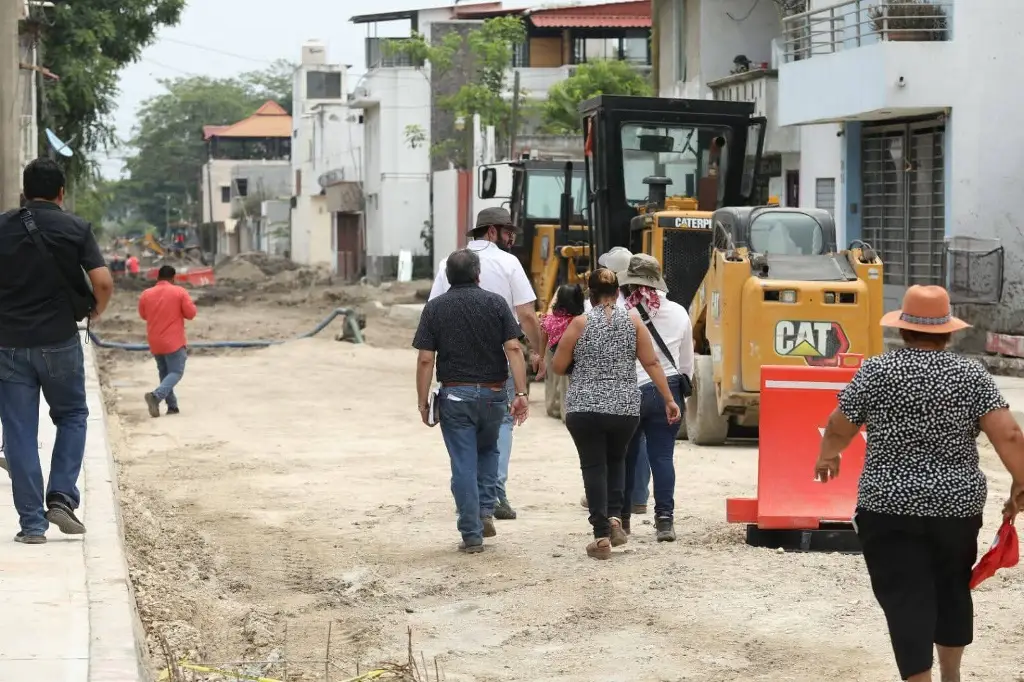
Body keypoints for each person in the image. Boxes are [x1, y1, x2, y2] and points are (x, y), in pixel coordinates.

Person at [814, 285, 1024, 682]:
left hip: (887, 506)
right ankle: (951, 676)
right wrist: (1020, 484)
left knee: (905, 597)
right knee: (951, 588)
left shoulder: (878, 371)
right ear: (948, 331)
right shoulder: (970, 374)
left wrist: (828, 454)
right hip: (955, 508)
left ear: (904, 329)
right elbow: (1010, 436)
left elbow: (841, 423)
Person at [0, 157, 114, 544]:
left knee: (19, 432)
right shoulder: (75, 227)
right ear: (61, 193)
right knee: (72, 416)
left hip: (9, 344)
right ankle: (62, 496)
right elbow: (103, 281)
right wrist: (96, 310)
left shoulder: (2, 226)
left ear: (24, 193)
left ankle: (32, 525)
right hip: (60, 341)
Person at [552, 268, 681, 559]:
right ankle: (614, 519)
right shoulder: (634, 321)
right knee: (617, 459)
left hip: (585, 406)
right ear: (618, 292)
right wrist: (669, 399)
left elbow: (558, 367)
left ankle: (600, 537)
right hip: (624, 407)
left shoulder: (579, 324)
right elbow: (651, 363)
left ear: (591, 292)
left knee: (594, 467)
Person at [429, 207, 543, 521]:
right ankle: (495, 496)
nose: (512, 238)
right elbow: (528, 315)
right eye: (508, 232)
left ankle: (471, 503)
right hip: (501, 358)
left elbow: (434, 309)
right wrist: (537, 351)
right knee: (501, 426)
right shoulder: (510, 263)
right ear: (491, 231)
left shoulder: (448, 263)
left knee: (463, 439)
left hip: (458, 364)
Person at [414, 249, 530, 553]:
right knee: (489, 451)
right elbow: (514, 349)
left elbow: (426, 359)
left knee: (463, 462)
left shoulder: (435, 309)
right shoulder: (496, 304)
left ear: (448, 277)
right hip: (493, 395)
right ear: (478, 275)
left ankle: (471, 533)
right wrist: (520, 393)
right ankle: (484, 511)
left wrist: (423, 400)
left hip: (455, 396)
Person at [617, 253, 694, 542]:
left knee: (626, 456)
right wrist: (684, 386)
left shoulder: (623, 312)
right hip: (669, 390)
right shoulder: (678, 312)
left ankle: (623, 519)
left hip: (630, 387)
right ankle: (664, 520)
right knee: (662, 456)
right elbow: (686, 361)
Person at [578, 247, 651, 515]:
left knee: (597, 460)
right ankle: (630, 505)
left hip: (592, 395)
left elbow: (562, 361)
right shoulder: (638, 308)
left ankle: (603, 514)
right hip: (629, 391)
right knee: (625, 454)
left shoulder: (587, 314)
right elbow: (650, 360)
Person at [138, 265, 197, 417]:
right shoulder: (179, 292)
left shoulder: (146, 294)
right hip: (173, 341)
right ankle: (155, 396)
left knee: (165, 373)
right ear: (173, 278)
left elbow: (143, 315)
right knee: (176, 372)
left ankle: (172, 406)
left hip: (155, 340)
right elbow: (190, 314)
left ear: (158, 277)